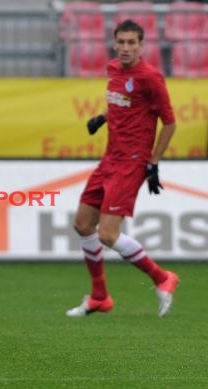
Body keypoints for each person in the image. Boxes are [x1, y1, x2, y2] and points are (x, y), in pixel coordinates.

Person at [66, 19, 179, 318]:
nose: (126, 47)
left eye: (132, 42)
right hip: (109, 158)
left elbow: (169, 122)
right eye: (122, 42)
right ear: (115, 43)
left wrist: (153, 161)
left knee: (107, 234)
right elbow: (123, 101)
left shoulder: (151, 78)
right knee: (82, 224)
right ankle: (100, 296)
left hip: (132, 163)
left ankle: (162, 277)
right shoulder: (114, 69)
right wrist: (102, 118)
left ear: (142, 46)